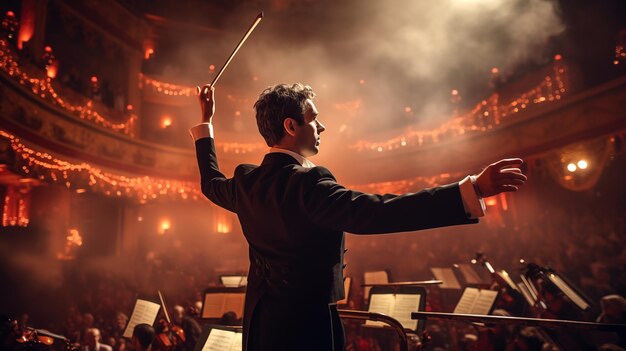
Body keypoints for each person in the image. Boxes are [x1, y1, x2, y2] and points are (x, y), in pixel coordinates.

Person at [190, 83, 527, 351]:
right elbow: (378, 212)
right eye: (314, 118)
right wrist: (470, 191)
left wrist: (206, 124)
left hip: (260, 323)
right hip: (306, 326)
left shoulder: (248, 182)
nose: (322, 125)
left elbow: (210, 182)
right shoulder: (309, 184)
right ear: (291, 126)